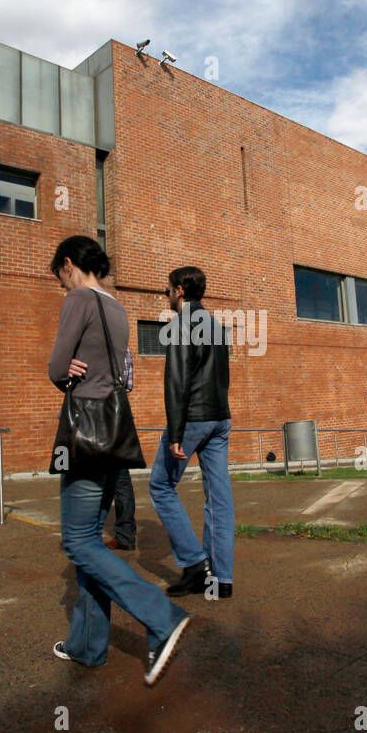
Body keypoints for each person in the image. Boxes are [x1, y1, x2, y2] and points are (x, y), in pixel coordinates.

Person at [48, 236, 190, 686]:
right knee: (91, 538)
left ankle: (160, 614)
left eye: (61, 275)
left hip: (84, 431)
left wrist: (63, 368)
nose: (62, 283)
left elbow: (56, 367)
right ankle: (87, 646)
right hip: (115, 430)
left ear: (69, 264)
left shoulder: (78, 299)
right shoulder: (115, 306)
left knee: (78, 541)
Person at [148, 266, 235, 599]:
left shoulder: (182, 325)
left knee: (161, 486)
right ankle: (221, 579)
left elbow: (176, 383)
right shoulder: (215, 325)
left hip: (193, 420)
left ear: (180, 291)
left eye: (168, 290)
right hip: (220, 419)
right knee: (219, 498)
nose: (166, 295)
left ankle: (196, 565)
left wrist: (175, 434)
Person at [103, 348, 137, 551]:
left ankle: (84, 536)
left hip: (101, 415)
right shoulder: (125, 351)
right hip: (121, 412)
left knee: (92, 475)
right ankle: (125, 535)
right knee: (120, 479)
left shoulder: (95, 348)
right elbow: (128, 386)